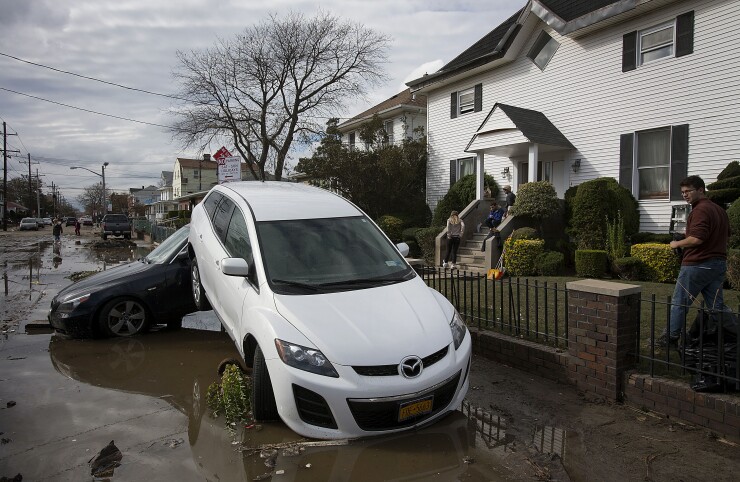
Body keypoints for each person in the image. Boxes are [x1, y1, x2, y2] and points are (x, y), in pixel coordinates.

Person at [660, 175, 734, 347]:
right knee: (716, 306)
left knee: (679, 302)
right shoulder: (720, 210)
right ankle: (732, 333)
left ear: (701, 190)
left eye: (688, 191)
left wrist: (676, 243)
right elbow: (723, 235)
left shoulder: (700, 210)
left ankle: (670, 338)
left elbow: (697, 239)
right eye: (683, 192)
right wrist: (686, 236)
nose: (685, 195)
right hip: (717, 265)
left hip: (697, 265)